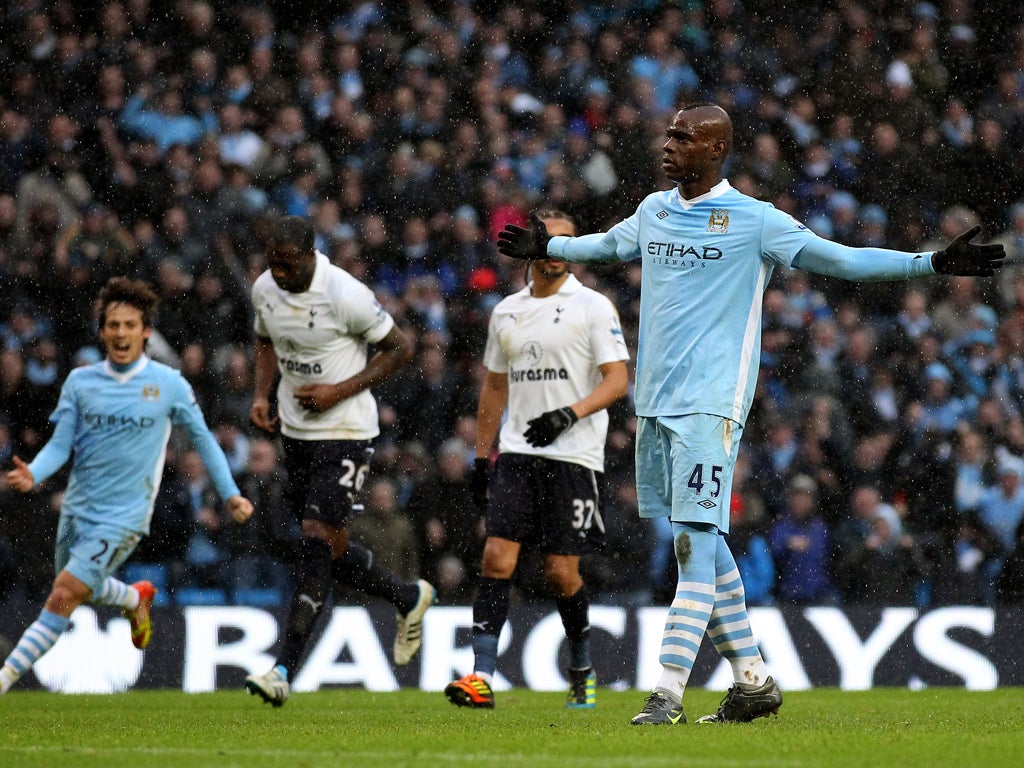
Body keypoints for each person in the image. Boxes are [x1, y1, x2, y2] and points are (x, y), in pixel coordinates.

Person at [497, 103, 1004, 725]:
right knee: (703, 546)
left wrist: (926, 263)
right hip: (655, 402)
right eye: (669, 135)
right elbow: (605, 247)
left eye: (685, 138)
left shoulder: (755, 221)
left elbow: (839, 259)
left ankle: (667, 692)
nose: (669, 145)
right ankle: (754, 681)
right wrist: (550, 244)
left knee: (692, 544)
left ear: (716, 151)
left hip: (712, 406)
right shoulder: (654, 210)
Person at [1, 277, 253, 695]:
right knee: (76, 589)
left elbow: (205, 439)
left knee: (63, 594)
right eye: (113, 325)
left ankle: (6, 678)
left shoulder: (169, 384)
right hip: (79, 507)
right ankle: (134, 599)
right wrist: (34, 473)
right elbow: (61, 444)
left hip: (125, 515)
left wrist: (230, 495)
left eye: (130, 325)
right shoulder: (81, 383)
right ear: (102, 332)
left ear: (146, 331)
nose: (121, 333)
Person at [245, 215, 433, 708]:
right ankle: (406, 597)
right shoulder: (265, 288)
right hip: (296, 432)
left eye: (287, 264)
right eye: (272, 264)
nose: (278, 274)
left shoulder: (344, 293)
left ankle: (283, 668)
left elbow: (401, 348)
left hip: (346, 432)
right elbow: (265, 339)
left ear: (310, 255)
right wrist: (262, 394)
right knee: (323, 545)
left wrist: (339, 391)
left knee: (313, 541)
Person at [444, 209, 629, 710]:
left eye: (568, 241)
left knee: (559, 572)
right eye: (549, 241)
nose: (558, 250)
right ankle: (481, 676)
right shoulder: (506, 312)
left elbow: (616, 380)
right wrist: (483, 458)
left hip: (574, 455)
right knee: (496, 557)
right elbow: (494, 386)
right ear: (532, 249)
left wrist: (570, 414)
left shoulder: (592, 306)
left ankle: (582, 665)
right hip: (520, 453)